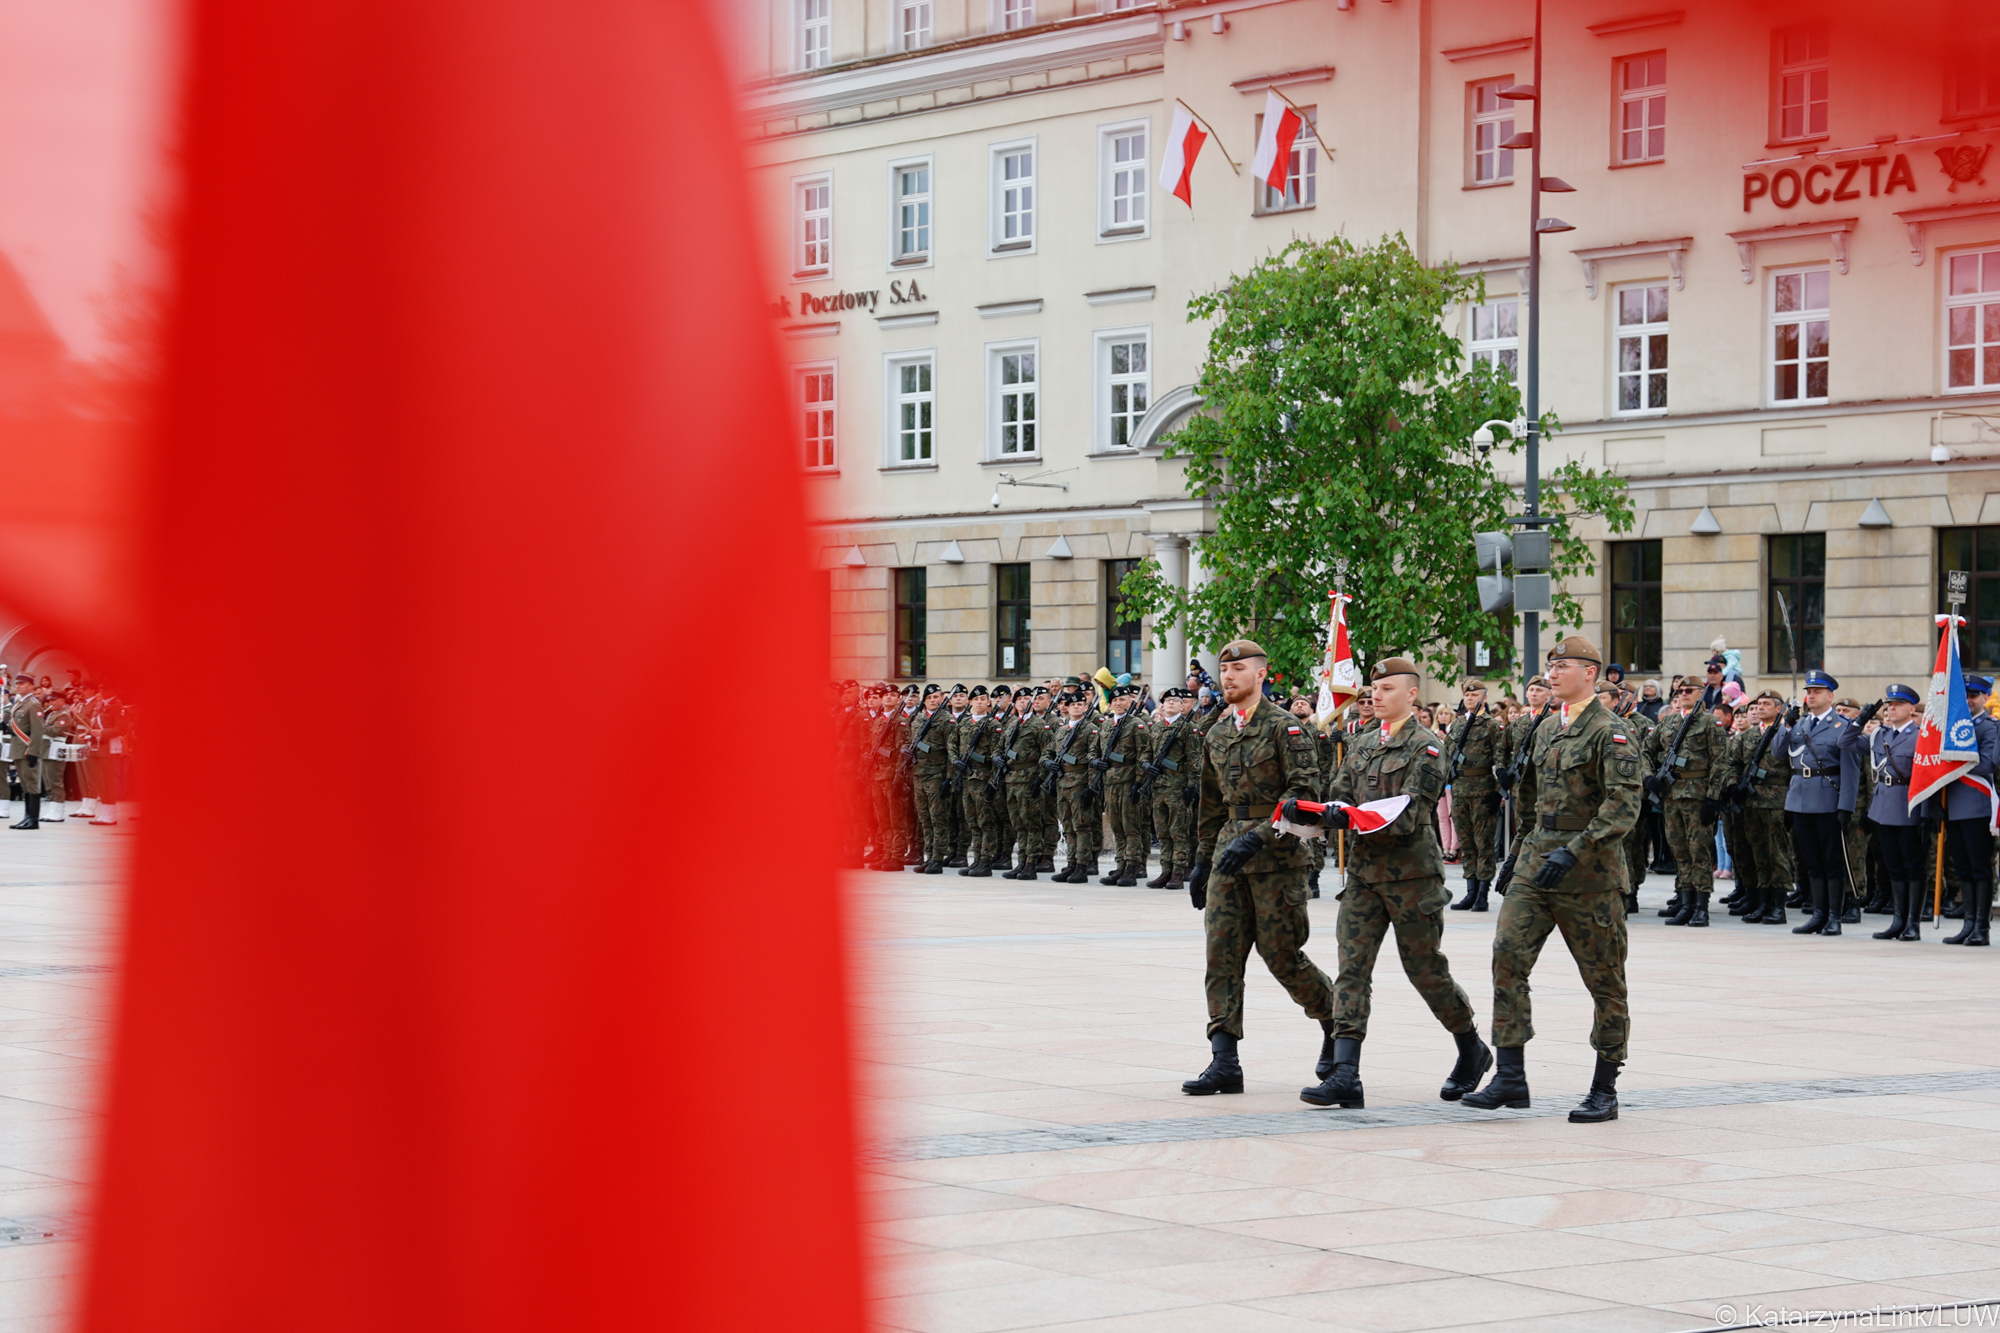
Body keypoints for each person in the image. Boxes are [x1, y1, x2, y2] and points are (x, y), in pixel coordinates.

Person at [1298, 657, 1488, 1110]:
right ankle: (1346, 1072)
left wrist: (1347, 817)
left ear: (1411, 694)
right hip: (1364, 874)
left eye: (1386, 689)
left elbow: (1409, 813)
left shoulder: (1427, 747)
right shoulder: (1363, 743)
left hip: (1412, 877)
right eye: (1373, 690)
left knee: (1425, 971)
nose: (1376, 696)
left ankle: (1471, 1047)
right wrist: (1319, 813)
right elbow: (1341, 793)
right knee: (1352, 969)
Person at [1465, 636, 1640, 1124]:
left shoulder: (1611, 731)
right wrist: (1516, 855)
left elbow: (1623, 806)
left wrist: (1577, 849)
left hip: (1590, 874)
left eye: (1563, 666)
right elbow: (1531, 799)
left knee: (1605, 981)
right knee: (1507, 957)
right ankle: (1510, 1076)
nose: (1553, 673)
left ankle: (1604, 1088)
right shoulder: (1545, 728)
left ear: (1591, 673)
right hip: (1536, 865)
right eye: (1551, 666)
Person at [1180, 640, 1335, 1097]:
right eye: (1224, 669)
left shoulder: (1286, 728)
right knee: (1221, 955)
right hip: (1228, 856)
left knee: (1282, 955)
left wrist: (1258, 837)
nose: (1228, 676)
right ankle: (1224, 1060)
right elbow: (1211, 804)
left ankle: (1335, 1022)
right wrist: (1202, 860)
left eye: (1239, 668)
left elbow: (1304, 796)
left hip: (1276, 857)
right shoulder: (1216, 732)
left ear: (1261, 674)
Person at [1643, 675, 1728, 927]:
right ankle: (1686, 903)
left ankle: (1701, 907)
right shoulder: (1669, 721)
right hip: (1671, 796)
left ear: (1702, 693)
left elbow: (1720, 762)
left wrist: (1713, 798)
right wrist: (1648, 777)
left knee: (1699, 852)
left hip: (1698, 797)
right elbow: (1645, 750)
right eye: (1680, 691)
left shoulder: (1711, 722)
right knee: (1679, 851)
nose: (1683, 694)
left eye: (1689, 690)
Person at [1841, 685, 1922, 939]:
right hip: (1884, 805)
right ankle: (1898, 921)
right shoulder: (1879, 735)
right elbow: (1844, 742)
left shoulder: (1921, 736)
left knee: (1913, 867)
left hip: (1909, 805)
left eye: (1898, 704)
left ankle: (1912, 924)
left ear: (1912, 709)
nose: (1892, 708)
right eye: (1889, 705)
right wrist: (1860, 720)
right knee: (1893, 866)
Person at [1784, 669, 1860, 936]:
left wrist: (1846, 807)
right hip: (1800, 801)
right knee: (1811, 861)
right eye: (1809, 692)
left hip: (1828, 801)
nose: (1811, 696)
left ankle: (1834, 917)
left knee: (1832, 861)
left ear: (1830, 696)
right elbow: (1778, 752)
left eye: (1817, 691)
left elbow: (1851, 770)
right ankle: (1818, 915)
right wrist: (1786, 726)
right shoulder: (1800, 724)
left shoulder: (1843, 726)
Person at [1939, 675, 1999, 946]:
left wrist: (1952, 759)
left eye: (1973, 695)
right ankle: (1968, 924)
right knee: (1962, 868)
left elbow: (1987, 764)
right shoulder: (1949, 727)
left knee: (1979, 867)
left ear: (1985, 697)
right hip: (1952, 805)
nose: (1968, 700)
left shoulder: (1990, 727)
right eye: (1964, 695)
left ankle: (1981, 928)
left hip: (1977, 805)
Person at [1446, 679, 1505, 913]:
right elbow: (1447, 754)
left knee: (1484, 844)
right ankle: (1470, 891)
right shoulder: (1458, 724)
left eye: (1475, 695)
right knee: (1466, 843)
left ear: (1484, 698)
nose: (1470, 698)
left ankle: (1482, 894)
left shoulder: (1491, 725)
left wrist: (1498, 790)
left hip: (1482, 790)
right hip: (1460, 790)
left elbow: (1501, 758)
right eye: (1467, 695)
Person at [1051, 689, 1103, 883]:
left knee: (1081, 826)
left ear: (1086, 707)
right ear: (1066, 707)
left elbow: (1093, 758)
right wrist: (1047, 763)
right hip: (1062, 782)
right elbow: (1049, 751)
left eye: (1079, 704)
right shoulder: (1061, 729)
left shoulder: (1090, 729)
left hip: (1080, 783)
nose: (1075, 707)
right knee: (1068, 826)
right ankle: (1071, 863)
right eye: (1072, 704)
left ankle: (1082, 865)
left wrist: (1091, 786)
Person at [5, 676, 46, 830]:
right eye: (17, 684)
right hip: (18, 749)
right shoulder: (20, 703)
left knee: (32, 785)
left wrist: (34, 752)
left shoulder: (33, 704)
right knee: (26, 785)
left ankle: (33, 819)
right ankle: (27, 817)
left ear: (30, 686)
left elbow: (38, 730)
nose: (19, 686)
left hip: (28, 750)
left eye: (22, 684)